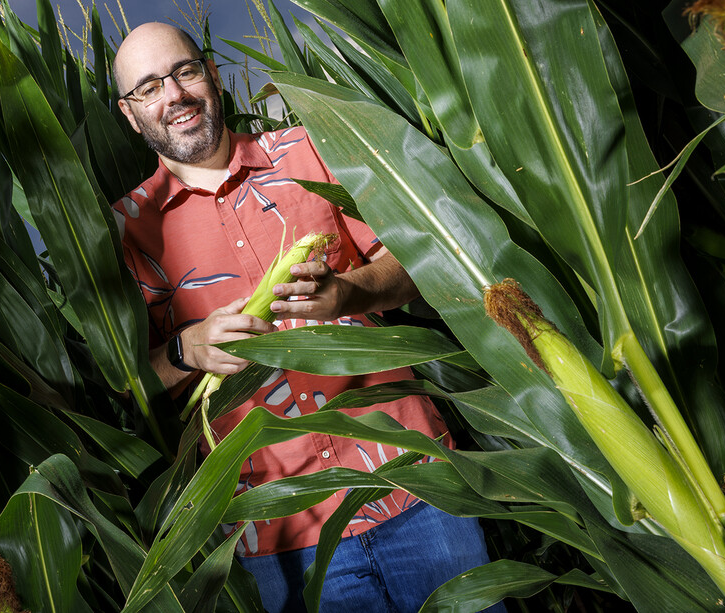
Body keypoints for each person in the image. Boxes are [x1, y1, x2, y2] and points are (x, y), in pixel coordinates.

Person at [112, 22, 502, 613]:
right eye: (149, 87)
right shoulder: (126, 232)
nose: (174, 95)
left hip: (415, 483)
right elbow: (120, 384)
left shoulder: (308, 149)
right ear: (130, 113)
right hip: (278, 533)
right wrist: (185, 349)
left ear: (212, 74)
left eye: (185, 71)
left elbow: (416, 261)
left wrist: (352, 292)